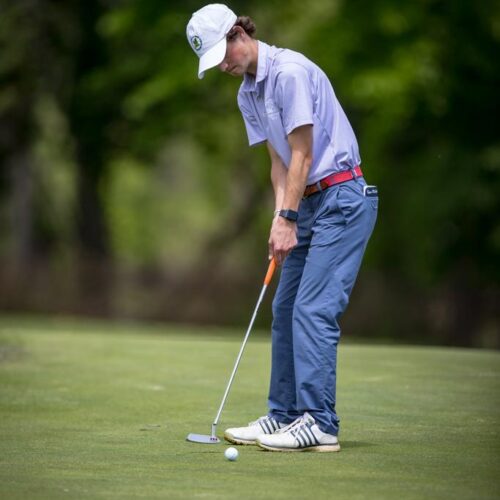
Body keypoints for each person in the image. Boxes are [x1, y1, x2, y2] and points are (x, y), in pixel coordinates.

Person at [186, 4, 378, 452]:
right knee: (286, 307)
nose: (223, 66)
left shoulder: (289, 72)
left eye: (223, 54)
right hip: (305, 204)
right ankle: (285, 415)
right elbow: (279, 162)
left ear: (239, 33)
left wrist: (288, 219)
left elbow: (305, 155)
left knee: (313, 309)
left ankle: (320, 422)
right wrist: (280, 219)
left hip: (342, 199)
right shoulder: (246, 95)